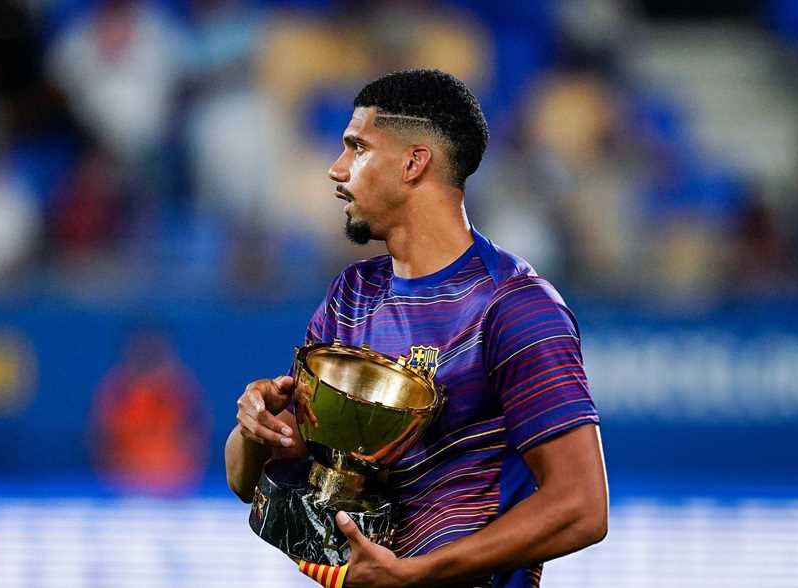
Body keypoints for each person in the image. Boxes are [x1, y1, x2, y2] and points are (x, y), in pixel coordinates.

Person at [225, 69, 608, 588]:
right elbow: (249, 481)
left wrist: (414, 575)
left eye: (357, 148)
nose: (337, 169)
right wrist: (253, 429)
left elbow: (582, 506)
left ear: (414, 162)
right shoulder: (351, 296)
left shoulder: (513, 306)